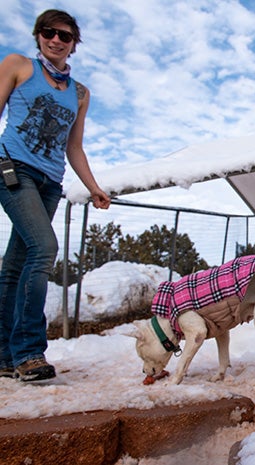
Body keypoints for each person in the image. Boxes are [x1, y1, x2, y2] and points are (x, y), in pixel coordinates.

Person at [0, 9, 110, 382]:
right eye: (49, 32)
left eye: (65, 36)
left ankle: (3, 354)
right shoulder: (19, 66)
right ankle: (29, 351)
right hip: (13, 167)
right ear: (38, 35)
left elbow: (74, 147)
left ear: (74, 44)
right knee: (45, 248)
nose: (56, 40)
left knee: (16, 264)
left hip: (50, 183)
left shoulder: (80, 93)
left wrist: (93, 186)